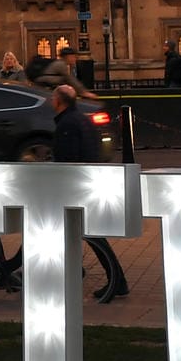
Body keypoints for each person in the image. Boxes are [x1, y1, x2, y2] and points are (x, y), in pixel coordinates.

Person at [49, 85, 128, 299]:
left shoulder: (66, 124)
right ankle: (103, 277)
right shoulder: (82, 119)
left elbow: (68, 159)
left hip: (74, 187)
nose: (50, 101)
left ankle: (116, 280)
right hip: (87, 181)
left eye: (53, 97)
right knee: (77, 232)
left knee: (89, 234)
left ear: (59, 101)